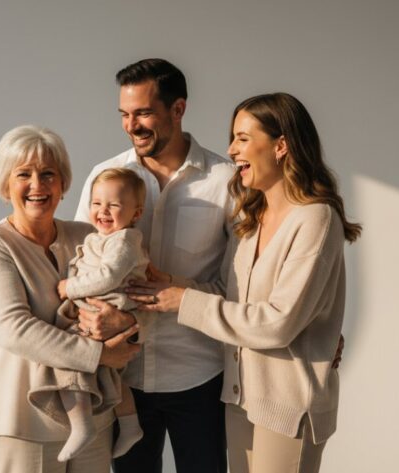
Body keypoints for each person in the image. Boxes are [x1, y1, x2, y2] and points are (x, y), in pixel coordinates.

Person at [128, 92, 361, 473]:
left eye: (242, 138)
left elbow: (278, 323)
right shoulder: (252, 217)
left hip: (288, 407)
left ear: (281, 146)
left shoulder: (316, 219)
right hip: (241, 400)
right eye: (232, 138)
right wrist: (171, 284)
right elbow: (228, 296)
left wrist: (182, 301)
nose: (231, 149)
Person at [73, 59, 235, 473]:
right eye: (124, 114)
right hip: (122, 377)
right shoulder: (104, 177)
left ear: (178, 109)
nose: (132, 126)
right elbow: (81, 265)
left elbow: (237, 289)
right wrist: (97, 319)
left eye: (143, 113)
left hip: (198, 374)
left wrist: (177, 295)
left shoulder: (226, 181)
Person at [0, 125, 141, 473]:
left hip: (96, 417)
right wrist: (100, 354)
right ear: (5, 184)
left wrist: (128, 324)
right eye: (23, 174)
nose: (38, 185)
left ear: (63, 183)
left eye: (48, 174)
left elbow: (132, 294)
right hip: (23, 422)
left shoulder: (88, 235)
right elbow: (15, 330)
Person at [28, 168, 150, 462]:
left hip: (107, 309)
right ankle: (131, 425)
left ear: (136, 213)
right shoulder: (99, 237)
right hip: (99, 310)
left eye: (114, 205)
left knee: (69, 357)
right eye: (96, 203)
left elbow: (108, 276)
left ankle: (81, 424)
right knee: (108, 372)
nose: (103, 211)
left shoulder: (124, 240)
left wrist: (70, 287)